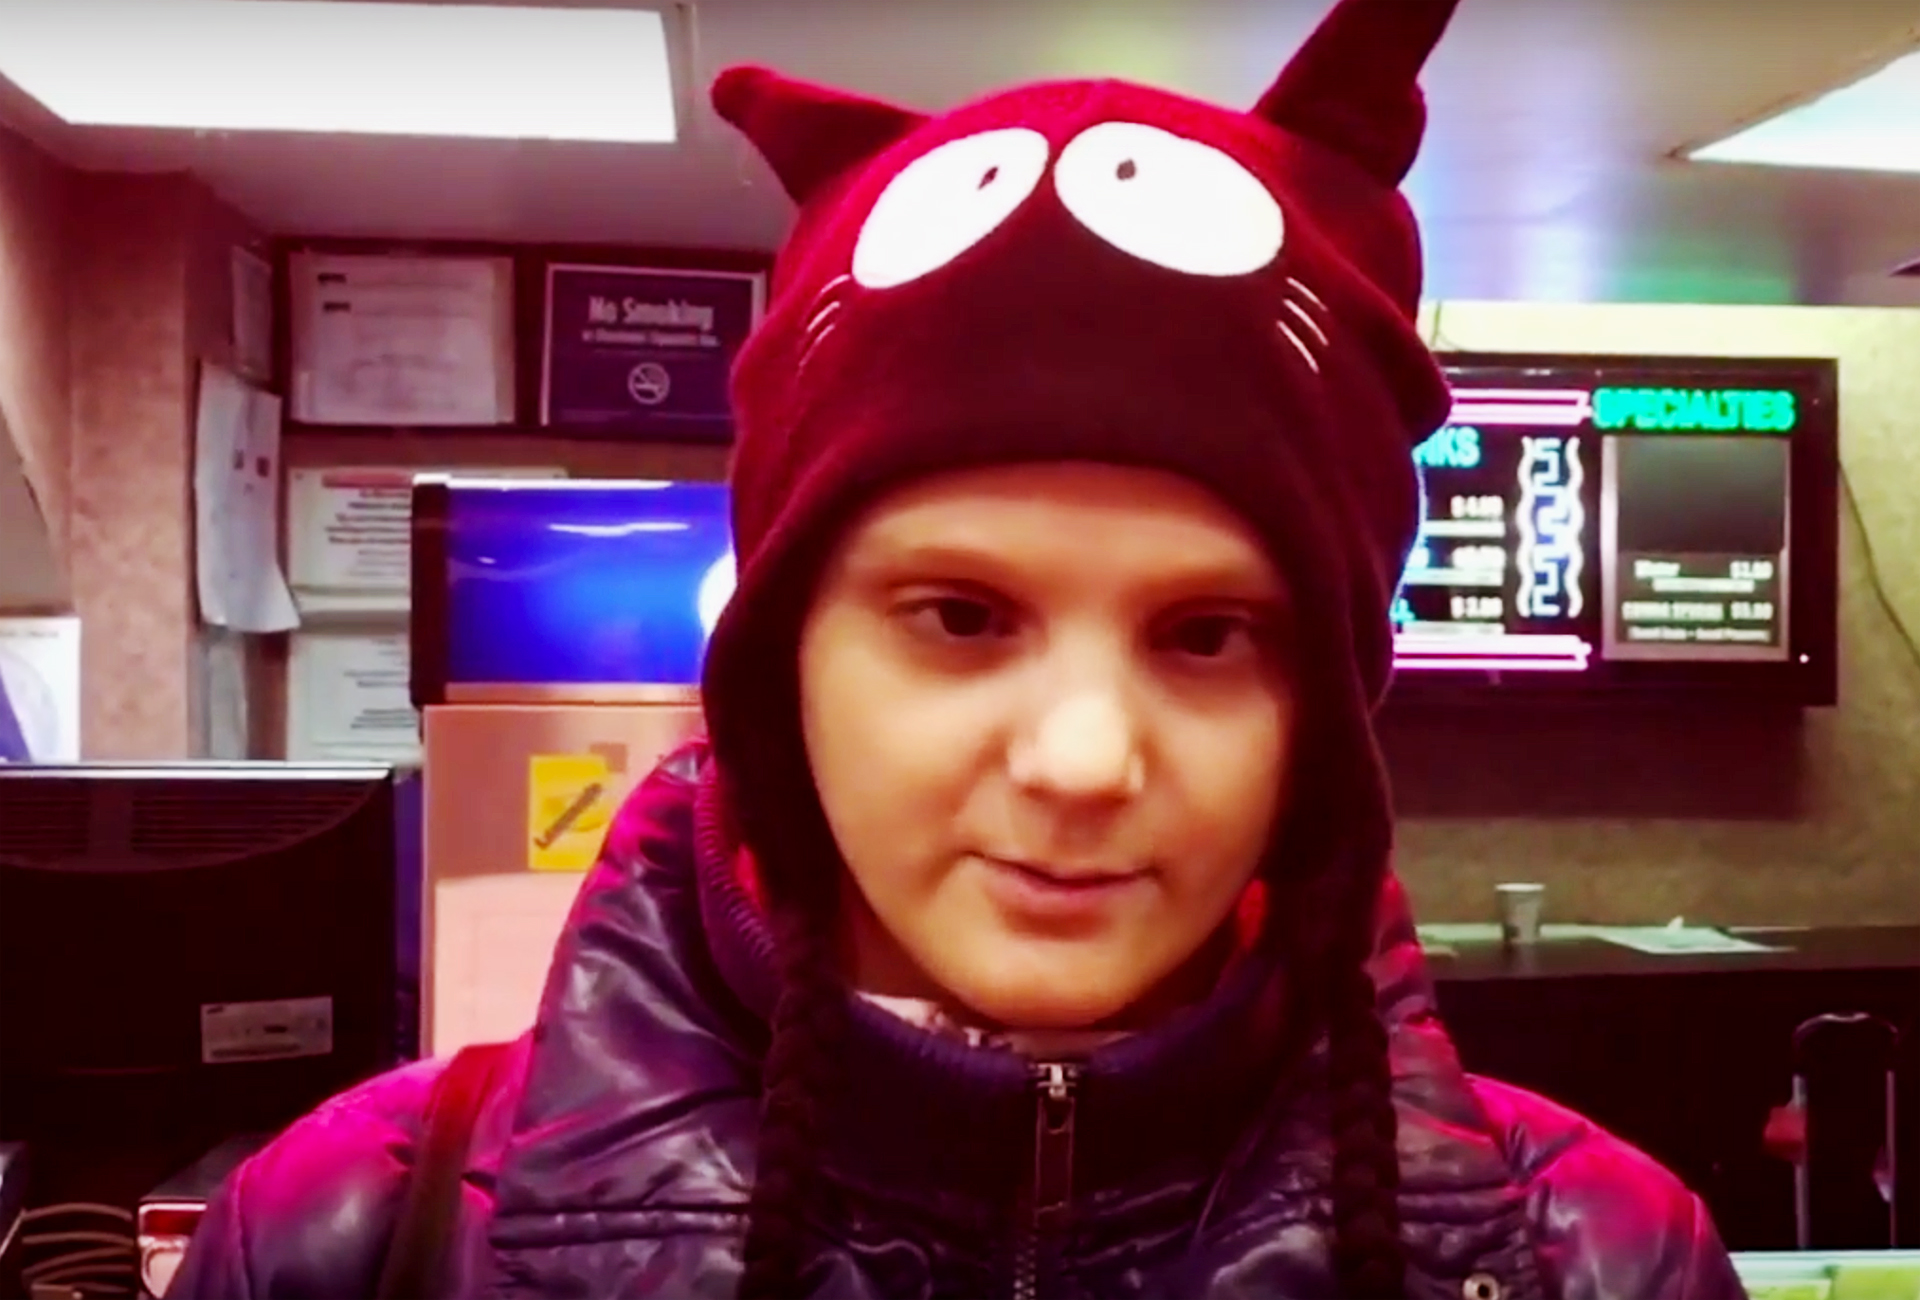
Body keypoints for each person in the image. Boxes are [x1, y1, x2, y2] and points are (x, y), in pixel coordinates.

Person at [168, 0, 1750, 1295]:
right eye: (961, 617)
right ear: (785, 661)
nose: (1080, 761)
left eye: (1207, 634)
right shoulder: (361, 1243)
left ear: (1323, 711)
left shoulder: (1601, 1263)